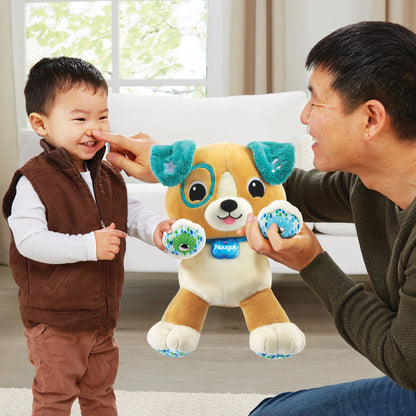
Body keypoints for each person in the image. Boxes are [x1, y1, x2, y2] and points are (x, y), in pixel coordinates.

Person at [92, 21, 416, 415]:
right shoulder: (367, 185)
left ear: (370, 119)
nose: (304, 117)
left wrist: (312, 262)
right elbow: (279, 189)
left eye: (316, 102)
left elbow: (404, 361)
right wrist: (177, 169)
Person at [2, 56, 174, 416]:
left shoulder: (107, 172)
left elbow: (127, 209)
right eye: (80, 119)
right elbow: (30, 241)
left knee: (100, 394)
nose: (94, 129)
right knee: (55, 397)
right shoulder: (33, 180)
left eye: (102, 117)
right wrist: (87, 245)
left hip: (101, 316)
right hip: (55, 322)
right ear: (40, 124)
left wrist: (155, 228)